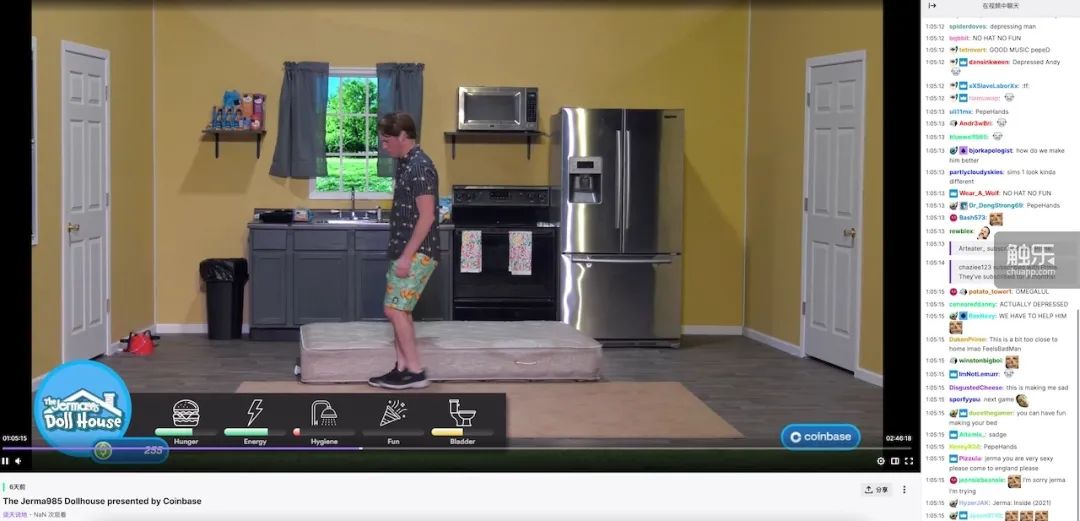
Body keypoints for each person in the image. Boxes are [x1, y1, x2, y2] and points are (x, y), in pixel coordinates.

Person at [368, 112, 440, 389]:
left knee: (394, 310)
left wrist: (407, 256)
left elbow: (427, 216)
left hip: (417, 251)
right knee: (401, 310)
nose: (384, 146)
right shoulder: (406, 163)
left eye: (387, 140)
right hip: (403, 249)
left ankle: (416, 371)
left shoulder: (420, 166)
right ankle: (401, 368)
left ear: (403, 136)